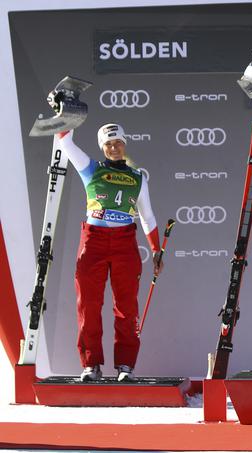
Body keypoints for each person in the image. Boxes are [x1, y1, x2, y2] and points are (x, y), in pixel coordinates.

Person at [55, 121, 163, 382]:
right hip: (93, 241)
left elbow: (147, 216)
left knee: (126, 307)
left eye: (118, 143)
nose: (114, 148)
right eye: (108, 144)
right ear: (102, 147)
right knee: (88, 305)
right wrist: (66, 114)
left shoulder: (138, 178)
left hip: (125, 241)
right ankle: (91, 365)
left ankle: (126, 366)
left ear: (125, 144)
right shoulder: (90, 169)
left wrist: (156, 249)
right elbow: (65, 142)